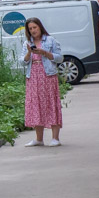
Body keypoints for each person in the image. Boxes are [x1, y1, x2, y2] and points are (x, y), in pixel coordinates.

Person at [22, 18, 64, 147]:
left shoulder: (50, 40)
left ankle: (55, 138)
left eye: (35, 27)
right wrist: (29, 53)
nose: (33, 30)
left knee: (51, 102)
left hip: (48, 75)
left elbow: (60, 58)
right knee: (36, 105)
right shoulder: (27, 43)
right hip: (33, 76)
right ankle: (39, 139)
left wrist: (45, 53)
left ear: (40, 27)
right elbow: (22, 61)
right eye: (30, 29)